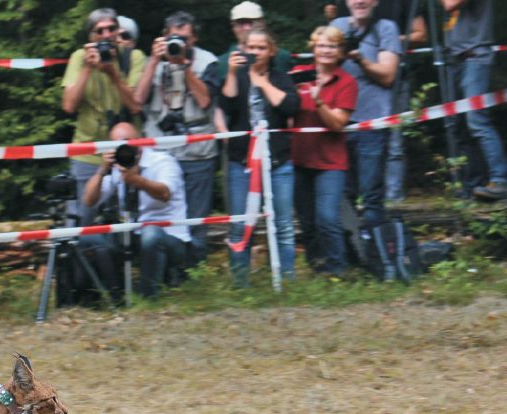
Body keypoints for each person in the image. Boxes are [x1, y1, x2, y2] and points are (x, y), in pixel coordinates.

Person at [135, 11, 219, 264]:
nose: (178, 43)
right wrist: (153, 61)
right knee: (159, 214)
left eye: (184, 38)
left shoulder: (208, 62)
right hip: (160, 150)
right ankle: (164, 270)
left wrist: (184, 66)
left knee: (196, 218)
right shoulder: (154, 61)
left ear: (194, 39)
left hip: (197, 149)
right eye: (173, 37)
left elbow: (205, 100)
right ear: (163, 36)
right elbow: (136, 102)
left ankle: (194, 272)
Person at [220, 29, 299, 286]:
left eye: (261, 48)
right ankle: (241, 284)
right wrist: (232, 73)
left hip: (277, 162)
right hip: (242, 161)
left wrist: (262, 82)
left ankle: (287, 282)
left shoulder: (281, 78)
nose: (255, 52)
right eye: (250, 47)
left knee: (284, 224)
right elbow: (227, 106)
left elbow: (290, 106)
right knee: (240, 225)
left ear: (271, 51)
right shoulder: (237, 77)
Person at [83, 122, 191, 298]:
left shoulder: (163, 162)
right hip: (133, 234)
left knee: (150, 233)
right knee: (90, 238)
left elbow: (164, 193)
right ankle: (116, 295)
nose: (123, 148)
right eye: (116, 145)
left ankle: (148, 297)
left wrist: (135, 179)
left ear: (140, 141)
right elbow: (89, 200)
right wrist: (102, 169)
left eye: (126, 142)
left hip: (170, 237)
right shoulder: (118, 168)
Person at [61, 8, 145, 227]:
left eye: (111, 29)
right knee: (83, 218)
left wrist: (113, 74)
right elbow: (69, 105)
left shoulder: (132, 57)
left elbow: (136, 106)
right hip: (88, 150)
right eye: (100, 31)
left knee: (127, 218)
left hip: (126, 151)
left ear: (118, 31)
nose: (106, 35)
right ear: (91, 36)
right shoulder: (80, 58)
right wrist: (88, 69)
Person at [291, 26, 358, 276]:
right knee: (307, 222)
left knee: (327, 217)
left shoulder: (347, 82)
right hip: (299, 159)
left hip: (331, 162)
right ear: (313, 49)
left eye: (332, 46)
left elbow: (338, 124)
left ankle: (338, 269)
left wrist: (319, 101)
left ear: (340, 52)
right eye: (321, 46)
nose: (326, 51)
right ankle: (317, 266)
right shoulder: (298, 75)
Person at [330, 0, 401, 231]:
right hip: (340, 120)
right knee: (343, 192)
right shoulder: (337, 25)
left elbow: (388, 75)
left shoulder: (386, 28)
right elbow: (324, 64)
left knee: (371, 193)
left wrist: (359, 58)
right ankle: (352, 249)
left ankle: (376, 251)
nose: (360, 1)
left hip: (373, 121)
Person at [441, 0, 507, 201]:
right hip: (457, 59)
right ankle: (472, 186)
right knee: (460, 126)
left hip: (475, 58)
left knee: (477, 120)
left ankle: (500, 180)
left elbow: (450, 4)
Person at [376, 0, 428, 201]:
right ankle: (364, 197)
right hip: (361, 78)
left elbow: (421, 34)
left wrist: (389, 40)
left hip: (398, 76)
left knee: (395, 142)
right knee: (361, 139)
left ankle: (393, 199)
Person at [217, 2, 294, 77]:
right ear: (233, 27)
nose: (246, 28)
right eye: (240, 23)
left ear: (262, 24)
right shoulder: (220, 62)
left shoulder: (282, 57)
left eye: (251, 22)